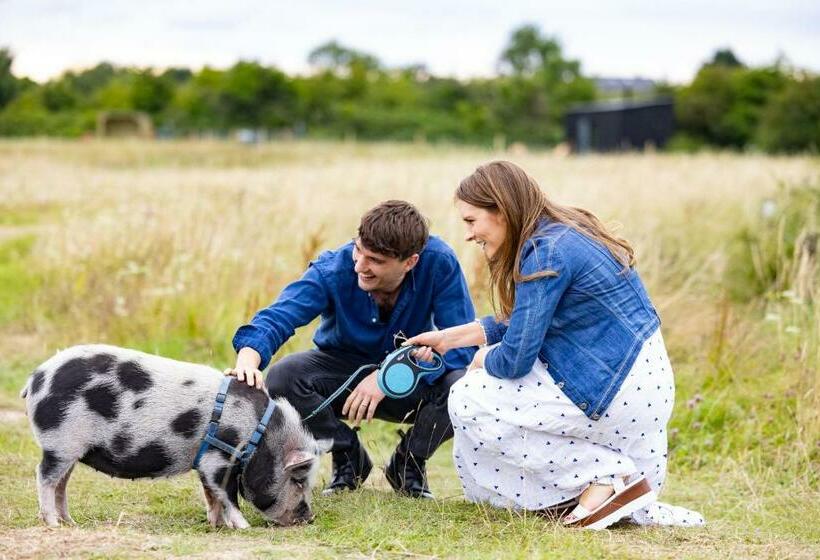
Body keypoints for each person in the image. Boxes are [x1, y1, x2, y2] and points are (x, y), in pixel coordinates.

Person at [406, 161, 704, 528]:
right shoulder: (564, 233)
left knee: (469, 397)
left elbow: (514, 359)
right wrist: (449, 339)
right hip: (638, 384)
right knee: (488, 388)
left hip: (611, 387)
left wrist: (482, 359)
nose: (468, 234)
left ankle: (606, 478)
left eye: (471, 221)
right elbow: (527, 320)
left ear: (501, 210)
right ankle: (586, 492)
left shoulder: (545, 251)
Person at [225, 200, 476, 499]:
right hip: (340, 371)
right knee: (282, 377)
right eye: (359, 251)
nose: (360, 266)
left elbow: (463, 344)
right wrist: (247, 363)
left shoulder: (439, 262)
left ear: (410, 262)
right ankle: (347, 455)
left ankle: (409, 463)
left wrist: (390, 375)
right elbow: (279, 316)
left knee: (465, 385)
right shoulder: (334, 268)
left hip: (409, 375)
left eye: (375, 261)